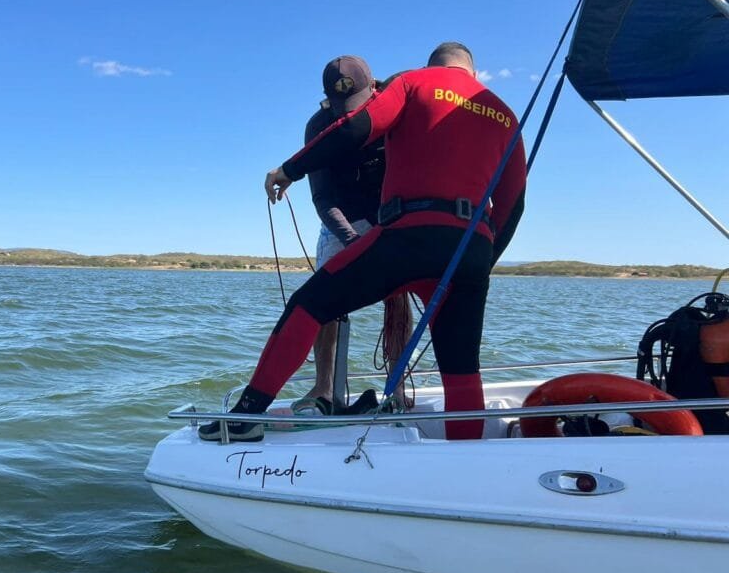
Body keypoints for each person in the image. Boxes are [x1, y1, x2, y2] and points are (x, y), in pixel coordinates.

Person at [200, 42, 527, 442]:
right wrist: (482, 262)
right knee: (461, 369)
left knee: (309, 305)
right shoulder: (505, 114)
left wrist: (290, 168)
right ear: (473, 74)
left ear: (432, 66)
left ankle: (245, 417)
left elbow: (358, 127)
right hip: (469, 249)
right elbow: (512, 207)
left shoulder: (413, 82)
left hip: (407, 235)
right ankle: (466, 454)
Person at [296, 56, 411, 413]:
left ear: (373, 88)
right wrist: (353, 240)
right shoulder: (317, 125)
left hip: (389, 215)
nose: (346, 114)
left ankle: (398, 387)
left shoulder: (392, 106)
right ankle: (323, 389)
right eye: (338, 105)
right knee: (324, 300)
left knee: (398, 299)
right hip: (341, 219)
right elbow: (322, 197)